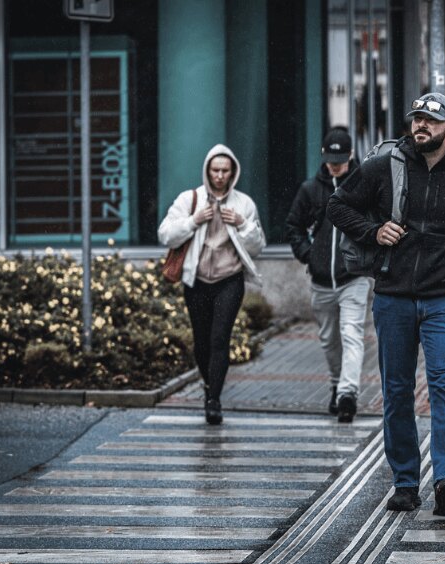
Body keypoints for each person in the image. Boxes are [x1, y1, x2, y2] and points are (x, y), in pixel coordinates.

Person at [327, 92, 445, 517]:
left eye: (430, 119)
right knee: (397, 392)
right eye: (416, 119)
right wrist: (373, 231)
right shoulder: (383, 168)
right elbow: (338, 206)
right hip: (393, 300)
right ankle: (406, 483)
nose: (420, 126)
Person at [158, 144, 266, 425]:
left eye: (225, 171)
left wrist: (242, 224)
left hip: (229, 280)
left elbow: (257, 246)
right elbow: (166, 235)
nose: (219, 175)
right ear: (207, 170)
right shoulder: (189, 199)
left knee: (220, 339)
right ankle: (209, 385)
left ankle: (213, 399)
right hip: (196, 280)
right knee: (201, 342)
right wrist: (194, 220)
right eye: (215, 170)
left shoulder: (243, 203)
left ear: (233, 173)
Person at [285, 128, 370, 423]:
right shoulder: (311, 189)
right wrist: (309, 255)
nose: (335, 165)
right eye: (330, 158)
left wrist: (365, 256)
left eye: (340, 159)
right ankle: (337, 384)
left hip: (353, 278)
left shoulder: (363, 186)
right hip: (321, 280)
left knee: (351, 334)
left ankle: (348, 394)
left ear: (350, 155)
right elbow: (293, 225)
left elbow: (375, 223)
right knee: (329, 340)